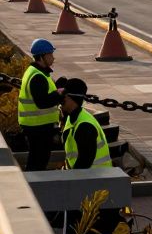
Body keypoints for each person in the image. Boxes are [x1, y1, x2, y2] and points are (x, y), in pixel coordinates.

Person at [17, 39, 62, 171]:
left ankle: (33, 185)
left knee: (37, 159)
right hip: (37, 126)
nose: (53, 58)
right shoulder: (38, 76)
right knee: (38, 161)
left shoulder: (37, 72)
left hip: (37, 125)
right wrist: (59, 94)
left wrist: (57, 88)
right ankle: (33, 187)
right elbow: (42, 102)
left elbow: (43, 94)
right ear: (42, 57)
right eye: (50, 55)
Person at [59, 78, 112, 170]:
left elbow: (84, 163)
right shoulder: (73, 118)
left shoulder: (84, 127)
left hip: (96, 180)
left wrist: (70, 180)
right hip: (88, 178)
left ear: (70, 99)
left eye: (63, 98)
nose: (60, 102)